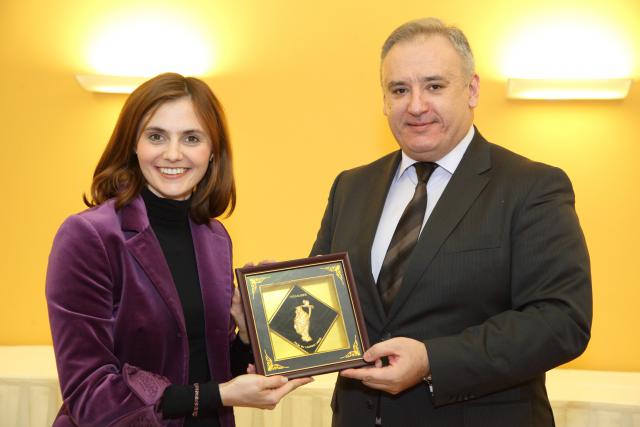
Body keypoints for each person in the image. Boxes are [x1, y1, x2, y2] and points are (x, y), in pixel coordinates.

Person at [310, 18, 591, 426]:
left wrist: (431, 362)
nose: (416, 105)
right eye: (399, 89)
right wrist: (261, 316)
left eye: (435, 86)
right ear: (384, 99)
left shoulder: (532, 187)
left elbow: (562, 320)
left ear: (472, 89)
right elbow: (324, 302)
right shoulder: (351, 186)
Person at [46, 73, 311, 427]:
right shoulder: (89, 236)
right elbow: (90, 394)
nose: (173, 154)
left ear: (213, 150)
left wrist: (248, 336)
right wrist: (221, 395)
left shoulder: (214, 238)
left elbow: (205, 365)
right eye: (156, 136)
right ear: (132, 145)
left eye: (191, 138)